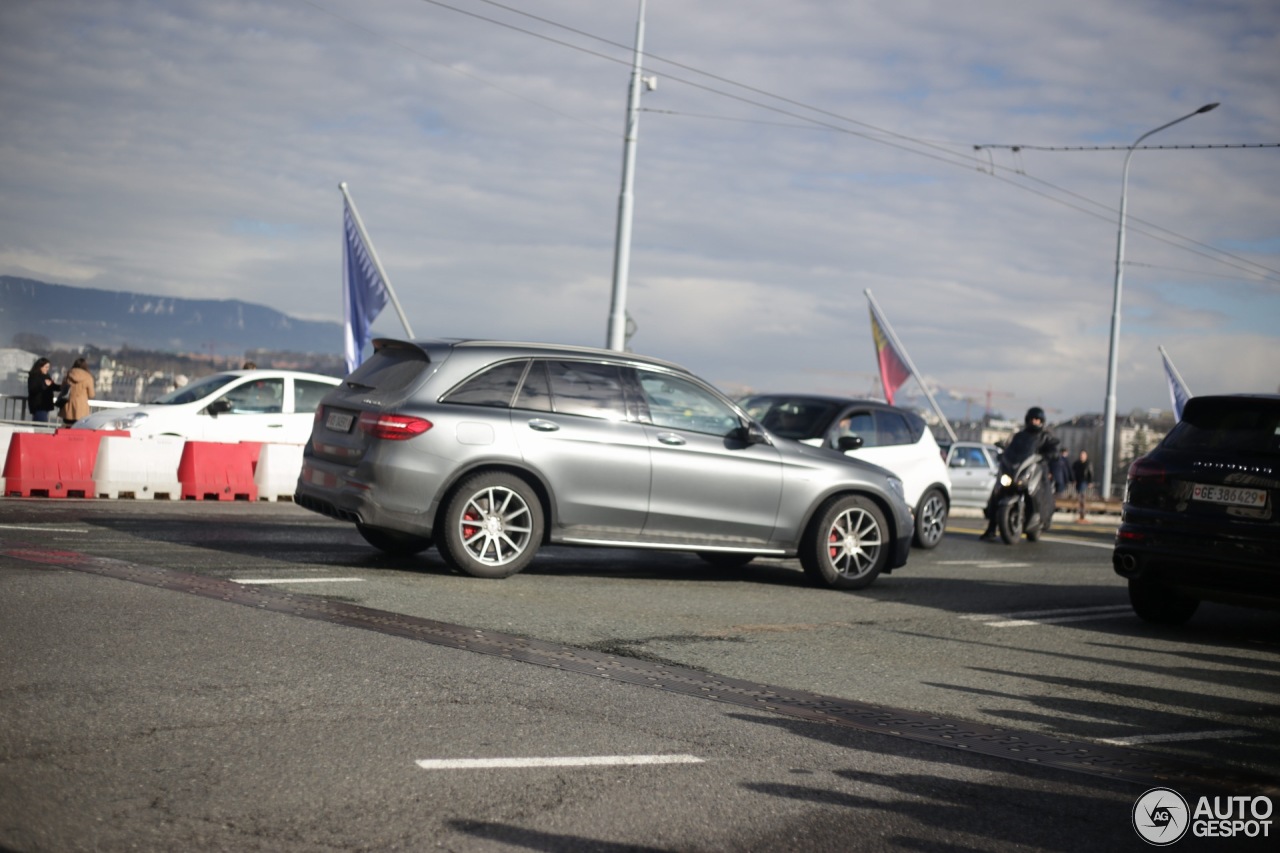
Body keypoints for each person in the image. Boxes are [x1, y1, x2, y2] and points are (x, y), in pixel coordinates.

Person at [980, 406, 1060, 540]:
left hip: (1036, 469)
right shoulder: (1019, 436)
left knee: (1043, 490)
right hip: (1017, 470)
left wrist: (1050, 454)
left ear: (1041, 421)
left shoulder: (1045, 436)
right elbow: (1011, 449)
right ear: (1027, 420)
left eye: (1037, 419)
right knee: (997, 492)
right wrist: (1004, 454)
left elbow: (1053, 449)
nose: (1034, 422)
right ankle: (991, 527)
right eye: (1032, 419)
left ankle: (1044, 519)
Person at [58, 357, 96, 427]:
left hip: (67, 406)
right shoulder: (88, 377)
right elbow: (91, 395)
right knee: (79, 428)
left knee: (67, 427)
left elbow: (62, 388)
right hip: (81, 408)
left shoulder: (68, 375)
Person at [26, 357, 59, 423]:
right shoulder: (34, 376)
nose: (47, 369)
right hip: (39, 406)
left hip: (44, 405)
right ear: (40, 367)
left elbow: (52, 386)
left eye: (48, 367)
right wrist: (44, 385)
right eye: (46, 367)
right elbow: (33, 390)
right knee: (41, 426)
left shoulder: (46, 376)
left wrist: (62, 387)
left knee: (41, 424)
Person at [1071, 450, 1095, 523]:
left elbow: (1090, 473)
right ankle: (1080, 512)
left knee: (1082, 495)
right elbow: (1072, 472)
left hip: (1084, 481)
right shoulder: (1076, 463)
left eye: (1083, 455)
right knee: (1079, 495)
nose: (1082, 456)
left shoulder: (1088, 463)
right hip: (1077, 481)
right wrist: (1073, 480)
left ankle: (1082, 513)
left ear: (1086, 456)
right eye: (1081, 455)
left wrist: (1090, 482)